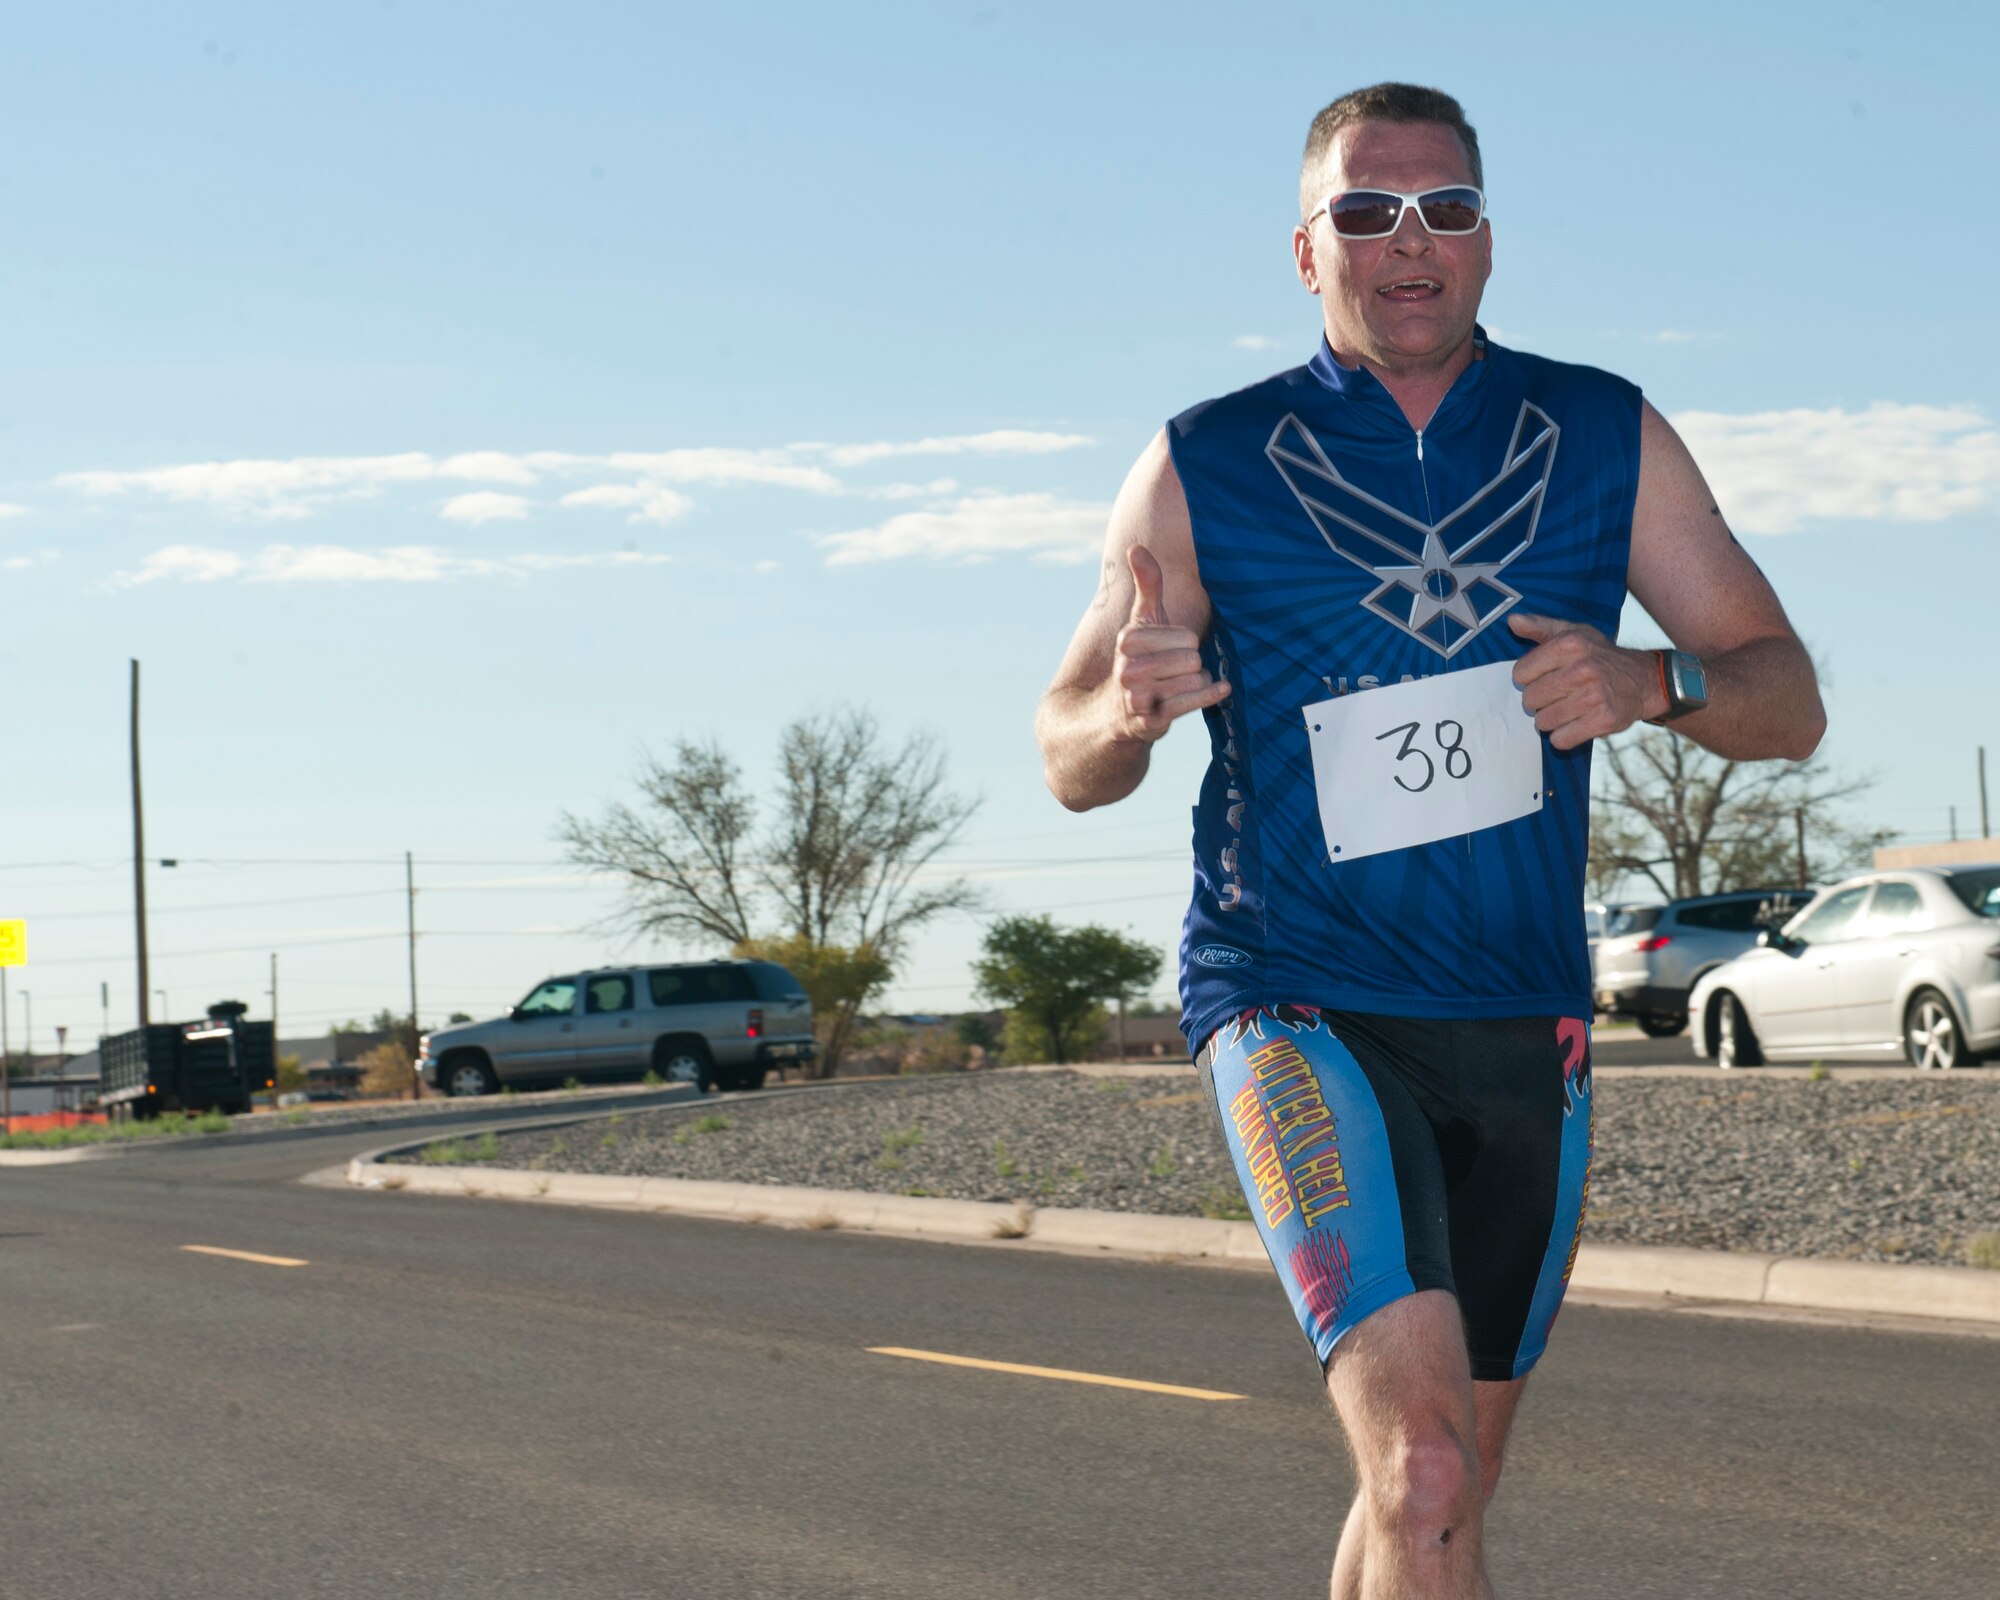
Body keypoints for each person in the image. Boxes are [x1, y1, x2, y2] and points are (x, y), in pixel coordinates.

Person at [1034, 83, 1823, 1599]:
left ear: (1486, 237)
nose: (1410, 242)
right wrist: (1128, 716)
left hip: (1522, 1016)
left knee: (1435, 1498)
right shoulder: (1208, 459)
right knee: (1427, 1470)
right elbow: (1068, 755)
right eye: (1367, 209)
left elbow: (1785, 700)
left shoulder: (1600, 432)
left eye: (1446, 207)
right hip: (1296, 995)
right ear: (1303, 247)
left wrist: (1656, 682)